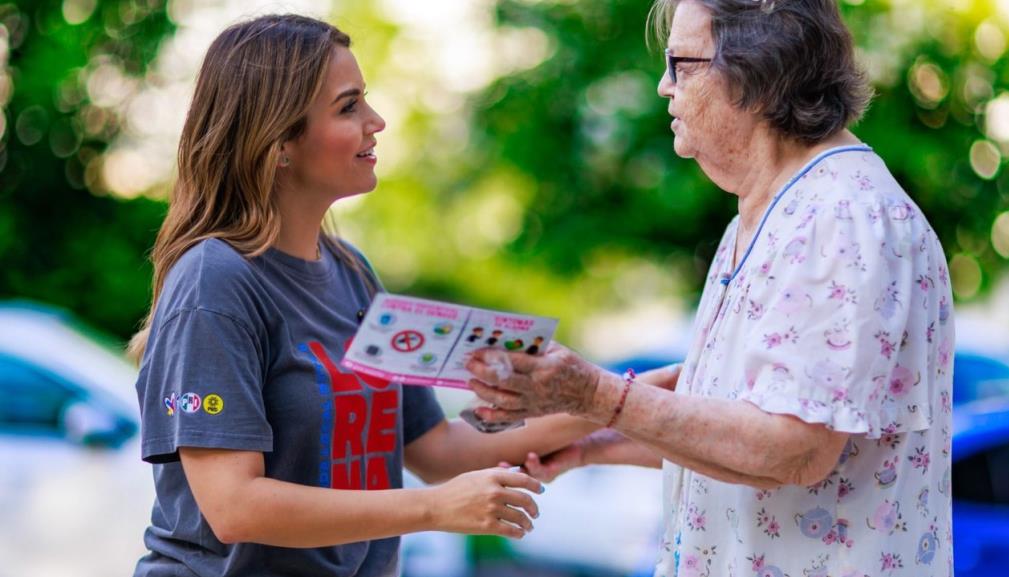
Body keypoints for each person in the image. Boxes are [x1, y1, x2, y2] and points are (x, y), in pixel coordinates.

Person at [128, 14, 643, 577]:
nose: (377, 122)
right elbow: (235, 507)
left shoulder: (352, 273)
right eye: (349, 107)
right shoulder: (215, 281)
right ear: (278, 143)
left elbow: (441, 450)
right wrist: (434, 510)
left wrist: (627, 399)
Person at [466, 1, 954, 577]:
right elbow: (744, 428)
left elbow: (792, 448)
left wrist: (597, 397)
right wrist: (597, 446)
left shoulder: (840, 216)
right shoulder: (770, 210)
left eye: (681, 63)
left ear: (761, 71)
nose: (663, 86)